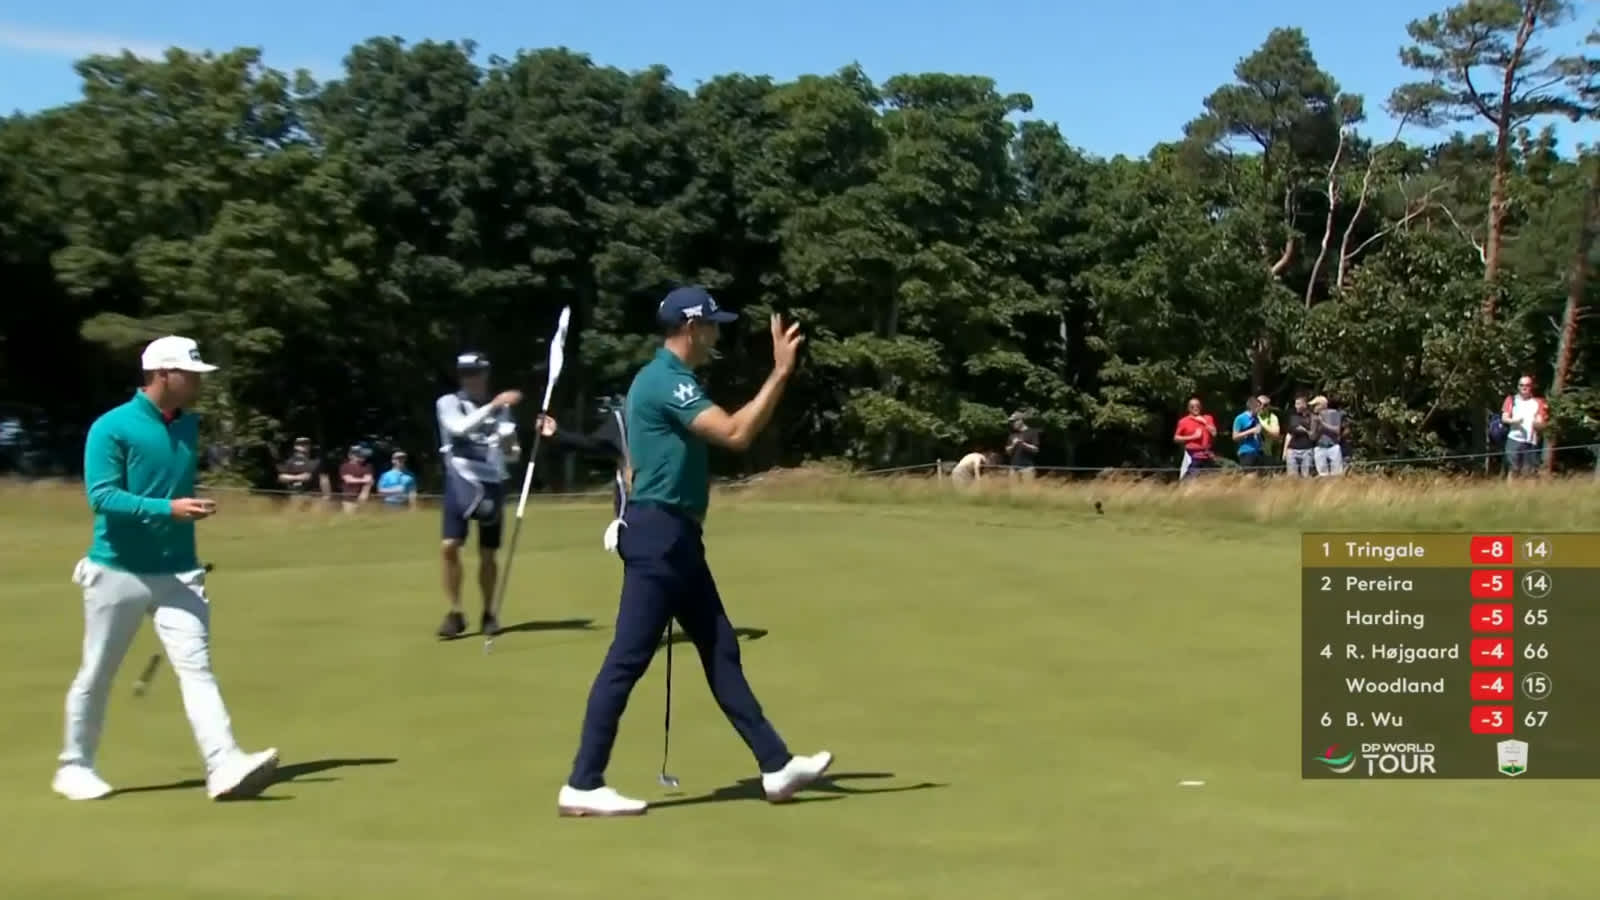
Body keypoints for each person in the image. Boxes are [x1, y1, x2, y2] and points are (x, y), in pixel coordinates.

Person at [557, 286, 832, 817]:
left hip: (677, 536)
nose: (717, 334)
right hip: (659, 533)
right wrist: (779, 373)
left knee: (720, 649)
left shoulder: (670, 379)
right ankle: (583, 781)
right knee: (627, 659)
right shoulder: (665, 381)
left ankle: (775, 765)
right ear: (690, 328)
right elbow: (735, 433)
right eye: (712, 325)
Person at [55, 335, 278, 801]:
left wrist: (182, 513)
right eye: (190, 373)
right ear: (162, 375)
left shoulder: (187, 426)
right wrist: (168, 509)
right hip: (117, 571)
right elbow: (102, 497)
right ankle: (74, 766)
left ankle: (224, 764)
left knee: (197, 669)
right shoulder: (110, 428)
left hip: (180, 572)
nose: (198, 382)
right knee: (97, 672)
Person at [434, 351, 523, 640]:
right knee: (449, 546)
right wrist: (495, 406)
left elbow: (511, 455)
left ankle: (489, 613)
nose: (469, 379)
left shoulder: (502, 410)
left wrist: (511, 444)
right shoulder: (449, 403)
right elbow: (459, 427)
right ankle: (455, 612)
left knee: (488, 553)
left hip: (491, 484)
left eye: (475, 373)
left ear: (485, 374)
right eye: (465, 374)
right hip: (459, 480)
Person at [1501, 375, 1547, 477]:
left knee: (1529, 472)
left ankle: (1529, 492)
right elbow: (1504, 418)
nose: (1524, 387)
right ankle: (1511, 492)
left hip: (1530, 441)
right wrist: (1514, 421)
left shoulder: (1539, 402)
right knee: (1513, 469)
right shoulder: (1511, 399)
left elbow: (1541, 422)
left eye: (1527, 385)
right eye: (1521, 385)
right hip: (1513, 439)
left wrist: (1537, 424)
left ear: (1531, 387)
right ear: (1518, 386)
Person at [1173, 396, 1217, 479]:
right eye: (1192, 406)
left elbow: (1214, 433)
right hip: (1193, 455)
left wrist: (1204, 422)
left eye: (1197, 406)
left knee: (1212, 480)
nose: (1195, 408)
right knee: (1191, 479)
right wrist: (1193, 437)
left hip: (1208, 454)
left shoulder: (1208, 418)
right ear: (1188, 408)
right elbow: (1176, 438)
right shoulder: (1183, 421)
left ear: (1201, 407)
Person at [1310, 396, 1345, 476]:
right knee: (1322, 475)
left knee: (1337, 473)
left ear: (1322, 405)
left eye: (1315, 405)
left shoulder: (1334, 413)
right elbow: (1312, 437)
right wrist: (1316, 427)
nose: (1313, 408)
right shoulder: (1314, 417)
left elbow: (1337, 430)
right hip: (1319, 447)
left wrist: (1322, 424)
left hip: (1333, 446)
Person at [1284, 394, 1317, 477]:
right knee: (1292, 477)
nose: (1296, 406)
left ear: (1305, 404)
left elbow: (1313, 434)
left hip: (1307, 450)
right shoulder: (1293, 416)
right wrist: (1285, 451)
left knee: (1306, 476)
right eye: (1295, 404)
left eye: (1298, 404)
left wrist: (1304, 429)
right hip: (1292, 450)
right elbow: (1290, 434)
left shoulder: (1312, 417)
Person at [338, 445, 374, 511]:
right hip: (348, 499)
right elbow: (348, 480)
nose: (362, 456)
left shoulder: (367, 466)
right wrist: (364, 480)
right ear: (350, 455)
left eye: (362, 454)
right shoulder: (344, 466)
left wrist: (364, 493)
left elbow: (369, 480)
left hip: (363, 499)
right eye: (358, 454)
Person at [1232, 397, 1264, 470]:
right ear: (1253, 407)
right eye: (1259, 407)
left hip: (1258, 451)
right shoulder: (1240, 418)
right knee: (1249, 477)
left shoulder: (1256, 418)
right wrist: (1251, 431)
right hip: (1246, 452)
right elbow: (1235, 436)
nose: (1260, 410)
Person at [1005, 413, 1040, 478]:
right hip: (1013, 469)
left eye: (1013, 421)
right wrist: (1013, 445)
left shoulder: (1032, 432)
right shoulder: (1012, 434)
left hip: (1027, 469)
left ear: (1020, 420)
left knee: (1027, 488)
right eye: (1011, 422)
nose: (1012, 423)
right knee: (1013, 488)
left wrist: (1023, 443)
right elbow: (1007, 452)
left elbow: (1036, 449)